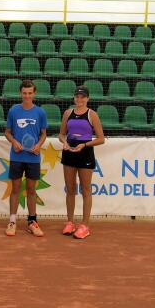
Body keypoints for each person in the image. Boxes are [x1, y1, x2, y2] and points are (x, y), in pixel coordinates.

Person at [58, 85, 105, 239]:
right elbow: (61, 134)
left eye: (82, 97)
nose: (79, 99)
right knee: (70, 188)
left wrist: (84, 145)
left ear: (87, 98)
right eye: (77, 97)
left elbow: (100, 139)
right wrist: (64, 143)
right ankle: (70, 222)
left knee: (86, 189)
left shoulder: (92, 115)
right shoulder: (67, 113)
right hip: (69, 153)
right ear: (74, 98)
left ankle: (85, 225)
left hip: (85, 153)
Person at [4, 80, 47, 237]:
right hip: (17, 157)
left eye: (30, 93)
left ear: (34, 93)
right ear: (20, 93)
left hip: (33, 158)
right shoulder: (14, 111)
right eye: (24, 93)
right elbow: (7, 132)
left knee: (31, 190)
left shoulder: (40, 112)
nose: (27, 96)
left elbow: (43, 133)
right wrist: (14, 142)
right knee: (15, 189)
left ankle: (32, 222)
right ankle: (12, 221)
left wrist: (39, 145)